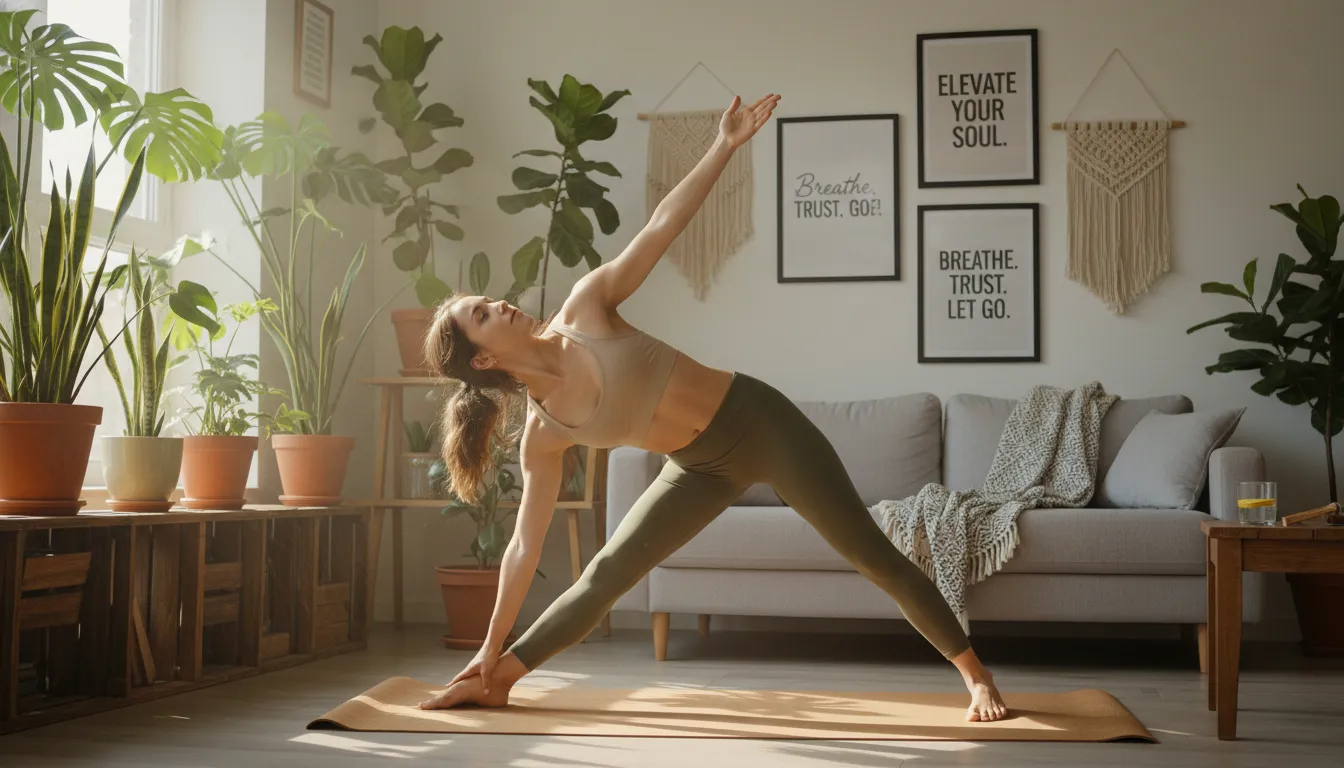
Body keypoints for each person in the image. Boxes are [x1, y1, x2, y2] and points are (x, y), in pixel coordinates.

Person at [416, 93, 1009, 722]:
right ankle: (498, 679)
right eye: (482, 315)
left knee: (868, 552)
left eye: (488, 300)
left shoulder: (586, 307)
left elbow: (661, 227)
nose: (500, 304)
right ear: (482, 360)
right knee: (607, 573)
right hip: (698, 465)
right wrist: (489, 644)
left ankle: (974, 676)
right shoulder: (544, 433)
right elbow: (521, 548)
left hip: (761, 422)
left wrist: (723, 146)